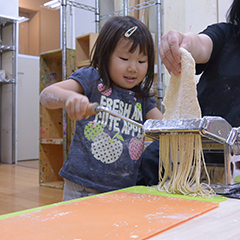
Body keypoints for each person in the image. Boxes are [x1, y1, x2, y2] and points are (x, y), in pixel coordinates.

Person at [40, 16, 163, 201]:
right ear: (106, 55)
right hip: (82, 185)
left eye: (141, 61)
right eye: (124, 58)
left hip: (123, 189)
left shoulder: (144, 98)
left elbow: (165, 128)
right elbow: (47, 95)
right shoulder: (92, 79)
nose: (133, 68)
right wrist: (71, 97)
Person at [138, 0, 240, 186]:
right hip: (182, 154)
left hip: (230, 171)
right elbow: (199, 45)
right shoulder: (227, 35)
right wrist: (183, 42)